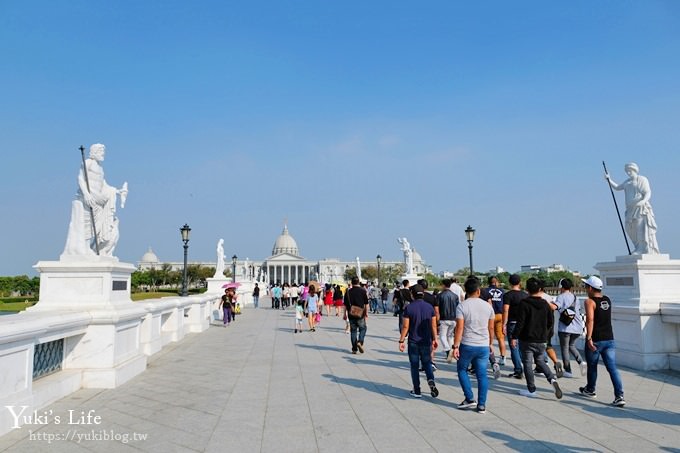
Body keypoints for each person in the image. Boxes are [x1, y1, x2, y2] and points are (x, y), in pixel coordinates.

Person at [62, 143, 128, 257]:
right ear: (95, 152)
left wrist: (117, 191)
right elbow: (81, 178)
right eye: (101, 152)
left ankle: (93, 247)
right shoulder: (88, 162)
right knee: (87, 223)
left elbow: (103, 184)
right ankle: (85, 247)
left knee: (97, 225)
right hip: (88, 197)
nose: (103, 155)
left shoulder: (100, 168)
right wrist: (86, 194)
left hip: (98, 199)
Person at [511, 278, 562, 399]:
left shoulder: (524, 303)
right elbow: (550, 322)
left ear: (527, 289)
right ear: (540, 289)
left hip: (527, 339)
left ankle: (531, 389)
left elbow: (520, 323)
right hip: (541, 339)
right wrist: (546, 334)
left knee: (527, 364)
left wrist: (514, 337)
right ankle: (552, 379)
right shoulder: (545, 304)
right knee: (540, 360)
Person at [580, 276, 626, 407]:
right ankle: (619, 395)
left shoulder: (589, 302)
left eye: (585, 286)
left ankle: (590, 389)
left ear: (590, 288)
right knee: (612, 368)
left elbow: (590, 320)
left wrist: (589, 338)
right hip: (609, 339)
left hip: (596, 340)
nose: (585, 289)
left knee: (592, 366)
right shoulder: (607, 300)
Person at [452, 277, 495, 413]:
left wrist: (456, 346)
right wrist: (490, 343)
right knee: (482, 375)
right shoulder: (488, 306)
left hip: (467, 344)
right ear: (478, 291)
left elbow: (459, 328)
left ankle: (469, 398)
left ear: (466, 291)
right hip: (483, 345)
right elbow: (491, 328)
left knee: (462, 370)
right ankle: (481, 405)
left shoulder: (462, 306)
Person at [605, 162, 659, 255]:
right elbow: (618, 187)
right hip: (630, 209)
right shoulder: (627, 181)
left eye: (630, 171)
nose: (628, 173)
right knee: (629, 228)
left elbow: (647, 192)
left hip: (640, 208)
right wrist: (609, 180)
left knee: (639, 227)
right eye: (627, 171)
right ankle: (638, 246)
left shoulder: (642, 179)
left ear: (635, 170)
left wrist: (644, 201)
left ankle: (642, 248)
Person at [398, 284, 439, 398]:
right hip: (426, 340)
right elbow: (433, 325)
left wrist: (401, 341)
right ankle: (431, 381)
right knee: (427, 364)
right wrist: (435, 339)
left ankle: (417, 390)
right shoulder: (429, 307)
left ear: (412, 294)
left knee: (414, 366)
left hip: (413, 342)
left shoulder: (409, 308)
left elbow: (405, 327)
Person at [555, 278, 586, 378]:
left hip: (565, 327)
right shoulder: (575, 297)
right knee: (571, 345)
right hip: (578, 327)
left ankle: (568, 370)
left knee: (564, 348)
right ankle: (581, 362)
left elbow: (556, 306)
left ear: (561, 287)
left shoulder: (561, 296)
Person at [502, 274, 528, 379]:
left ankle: (518, 370)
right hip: (524, 323)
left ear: (510, 283)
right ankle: (525, 367)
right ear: (520, 282)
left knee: (514, 347)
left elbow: (505, 310)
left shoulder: (508, 295)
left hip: (512, 323)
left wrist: (504, 324)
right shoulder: (525, 295)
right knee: (522, 347)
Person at [437, 278, 460, 363]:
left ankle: (447, 350)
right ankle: (452, 351)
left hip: (444, 318)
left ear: (443, 285)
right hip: (453, 319)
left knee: (442, 336)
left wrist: (437, 319)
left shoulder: (440, 295)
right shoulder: (455, 296)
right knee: (450, 336)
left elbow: (437, 308)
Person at [344, 277, 369, 354]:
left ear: (351, 282)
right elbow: (366, 304)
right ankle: (360, 341)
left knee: (353, 331)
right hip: (360, 314)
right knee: (363, 328)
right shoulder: (363, 291)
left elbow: (345, 305)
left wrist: (344, 314)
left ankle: (354, 349)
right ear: (358, 282)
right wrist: (366, 313)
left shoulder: (348, 291)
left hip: (351, 314)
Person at [486, 276, 506, 366]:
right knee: (500, 338)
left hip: (490, 316)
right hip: (500, 315)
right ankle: (503, 357)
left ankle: (490, 356)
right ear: (496, 282)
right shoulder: (502, 291)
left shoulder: (486, 291)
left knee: (489, 337)